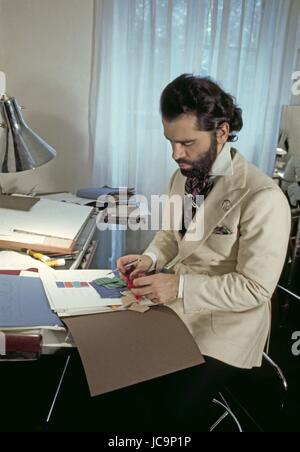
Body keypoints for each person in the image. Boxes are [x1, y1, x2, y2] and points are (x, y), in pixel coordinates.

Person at [117, 74, 291, 431]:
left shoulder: (263, 197)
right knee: (124, 381)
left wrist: (178, 287)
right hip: (178, 311)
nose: (175, 154)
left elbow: (256, 289)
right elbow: (171, 235)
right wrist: (149, 259)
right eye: (170, 142)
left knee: (172, 413)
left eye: (186, 143)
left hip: (227, 326)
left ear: (222, 132)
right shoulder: (184, 176)